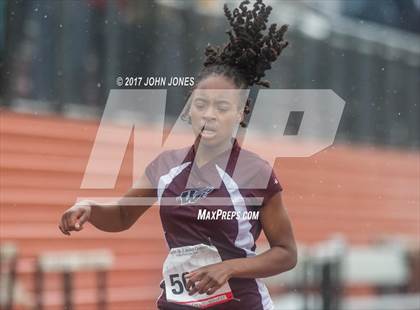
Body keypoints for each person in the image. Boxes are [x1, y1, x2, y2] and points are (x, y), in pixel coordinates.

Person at [58, 0, 297, 309]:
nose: (209, 115)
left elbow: (286, 252)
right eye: (201, 105)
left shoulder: (256, 172)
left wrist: (230, 267)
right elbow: (121, 215)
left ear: (240, 112)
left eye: (221, 107)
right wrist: (90, 208)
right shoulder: (166, 166)